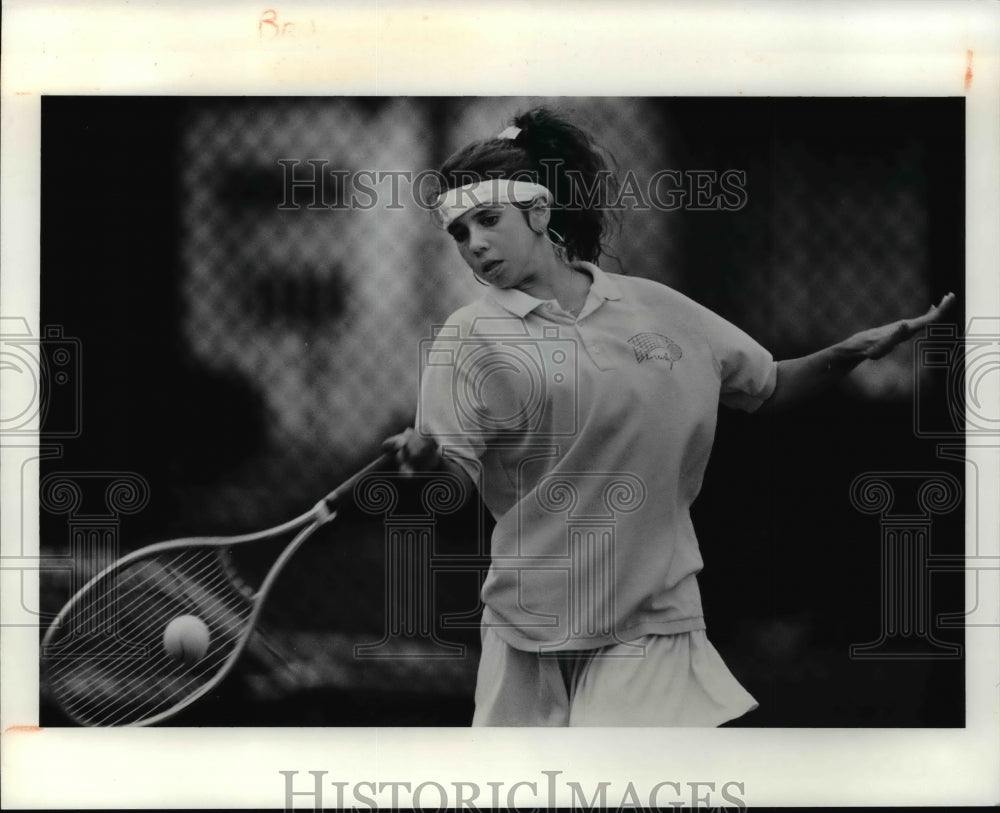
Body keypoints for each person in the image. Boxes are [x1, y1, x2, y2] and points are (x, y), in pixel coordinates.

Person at [383, 107, 955, 727]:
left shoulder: (659, 309)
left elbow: (768, 385)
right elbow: (454, 480)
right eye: (460, 233)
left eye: (488, 220)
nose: (475, 245)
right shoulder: (469, 337)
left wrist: (847, 352)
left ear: (539, 212)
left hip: (653, 619)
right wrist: (426, 461)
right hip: (527, 625)